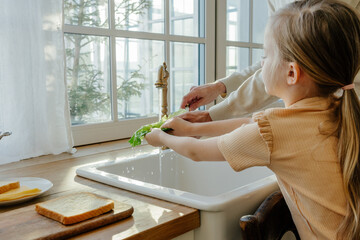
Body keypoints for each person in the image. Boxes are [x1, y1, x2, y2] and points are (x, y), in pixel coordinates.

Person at [145, 0, 360, 239]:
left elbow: (196, 151)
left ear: (291, 73)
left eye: (266, 56)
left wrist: (158, 136)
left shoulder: (276, 131)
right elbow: (252, 126)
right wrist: (191, 127)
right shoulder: (336, 110)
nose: (261, 64)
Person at [179, 0, 360, 123]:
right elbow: (277, 59)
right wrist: (221, 86)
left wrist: (211, 116)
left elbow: (283, 63)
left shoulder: (278, 127)